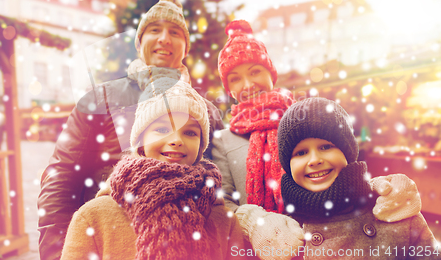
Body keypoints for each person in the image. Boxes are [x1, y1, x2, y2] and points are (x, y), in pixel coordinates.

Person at [211, 20, 423, 259]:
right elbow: (222, 203)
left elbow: (344, 168)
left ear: (271, 73)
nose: (248, 84)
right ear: (228, 88)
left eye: (255, 72)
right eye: (236, 78)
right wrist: (254, 222)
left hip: (327, 237)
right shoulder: (223, 139)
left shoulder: (303, 120)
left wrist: (383, 191)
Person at [38, 0, 224, 260]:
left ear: (186, 48)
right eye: (154, 30)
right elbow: (61, 176)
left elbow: (221, 185)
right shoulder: (100, 99)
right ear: (139, 43)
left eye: (175, 32)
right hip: (108, 242)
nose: (164, 38)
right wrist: (59, 252)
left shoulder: (206, 112)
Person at [60, 77, 246, 260]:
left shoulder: (224, 220)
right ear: (141, 141)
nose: (177, 140)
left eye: (189, 132)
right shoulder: (94, 217)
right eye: (163, 130)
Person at [276, 97, 439, 259]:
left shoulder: (394, 210)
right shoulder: (282, 233)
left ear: (348, 152)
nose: (314, 160)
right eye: (301, 153)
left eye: (326, 147)